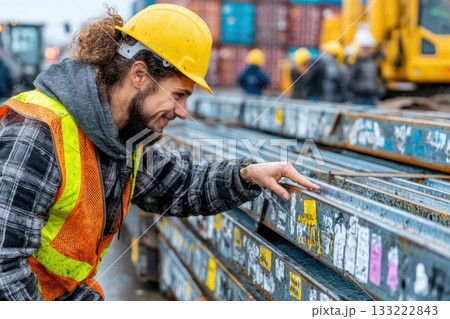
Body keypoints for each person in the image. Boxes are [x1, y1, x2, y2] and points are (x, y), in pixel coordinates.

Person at [0, 4, 319, 301]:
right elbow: (4, 271)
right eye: (178, 95)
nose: (183, 112)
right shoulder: (39, 134)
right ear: (139, 75)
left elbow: (182, 185)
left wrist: (247, 175)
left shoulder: (121, 138)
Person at [345, 25, 381, 106]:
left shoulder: (373, 63)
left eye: (368, 48)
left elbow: (376, 79)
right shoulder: (353, 63)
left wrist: (378, 91)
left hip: (371, 99)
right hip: (357, 99)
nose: (367, 51)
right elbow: (348, 81)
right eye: (364, 48)